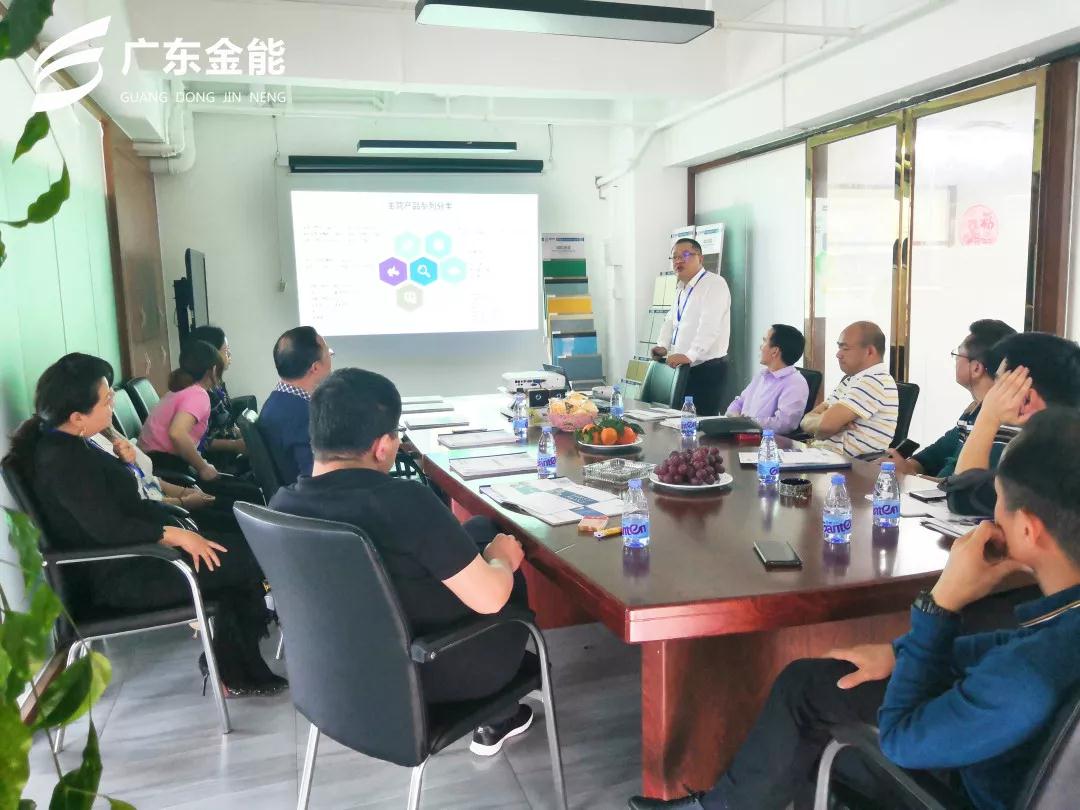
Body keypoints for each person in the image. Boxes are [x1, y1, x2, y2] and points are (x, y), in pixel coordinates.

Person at [629, 406, 1080, 810]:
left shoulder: (1026, 678)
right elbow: (1002, 645)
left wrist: (941, 603)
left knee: (812, 727)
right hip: (995, 743)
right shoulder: (1059, 624)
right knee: (809, 682)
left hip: (963, 782)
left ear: (1028, 530)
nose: (989, 518)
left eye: (998, 503)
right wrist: (900, 653)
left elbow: (902, 739)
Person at [269, 367, 536, 756]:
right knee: (507, 577)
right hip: (425, 673)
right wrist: (500, 560)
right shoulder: (403, 503)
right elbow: (491, 598)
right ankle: (499, 713)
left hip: (333, 678)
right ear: (382, 446)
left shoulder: (282, 507)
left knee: (478, 528)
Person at [3, 353, 283, 696]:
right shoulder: (62, 460)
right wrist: (175, 534)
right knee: (252, 556)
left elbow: (115, 503)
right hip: (122, 577)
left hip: (142, 557)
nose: (112, 405)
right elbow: (109, 529)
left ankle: (232, 668)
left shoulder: (71, 444)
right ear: (77, 417)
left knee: (243, 551)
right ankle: (235, 671)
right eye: (106, 401)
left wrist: (125, 464)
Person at [945, 332, 1080, 516]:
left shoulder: (1047, 462)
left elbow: (963, 498)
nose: (992, 392)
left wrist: (988, 415)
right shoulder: (1063, 441)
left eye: (999, 383)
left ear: (1026, 398)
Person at [882, 319, 1015, 478]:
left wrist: (911, 474)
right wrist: (905, 465)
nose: (955, 361)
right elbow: (934, 454)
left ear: (976, 368)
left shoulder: (1005, 422)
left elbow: (968, 485)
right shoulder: (973, 411)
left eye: (958, 354)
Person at [137, 340, 259, 507]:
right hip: (168, 468)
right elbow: (177, 433)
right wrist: (203, 468)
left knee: (243, 492)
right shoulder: (198, 394)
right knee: (250, 496)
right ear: (214, 370)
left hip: (155, 463)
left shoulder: (181, 390)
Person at [652, 238, 731, 416]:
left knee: (699, 424)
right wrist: (663, 345)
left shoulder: (714, 284)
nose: (678, 261)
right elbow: (671, 320)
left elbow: (710, 326)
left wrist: (690, 355)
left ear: (700, 258)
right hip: (683, 367)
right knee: (677, 422)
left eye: (685, 255)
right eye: (675, 257)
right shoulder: (681, 287)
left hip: (706, 369)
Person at [800, 321, 898, 458]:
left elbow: (825, 426)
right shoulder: (851, 380)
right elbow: (806, 421)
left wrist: (822, 424)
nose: (838, 354)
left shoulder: (875, 380)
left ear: (869, 351)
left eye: (845, 348)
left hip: (846, 465)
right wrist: (821, 424)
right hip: (822, 456)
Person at [258, 326, 333, 486]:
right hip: (310, 498)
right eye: (329, 353)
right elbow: (315, 480)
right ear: (315, 367)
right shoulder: (302, 415)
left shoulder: (278, 402)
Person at [725, 324, 809, 434]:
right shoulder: (761, 375)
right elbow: (738, 403)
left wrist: (747, 424)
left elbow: (784, 424)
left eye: (764, 341)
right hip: (740, 434)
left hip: (765, 441)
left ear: (775, 351)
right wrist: (736, 419)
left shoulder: (795, 383)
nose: (761, 346)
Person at [188, 325, 246, 469]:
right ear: (210, 355)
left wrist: (248, 435)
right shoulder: (198, 394)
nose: (229, 355)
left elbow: (227, 424)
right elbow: (199, 441)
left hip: (230, 456)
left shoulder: (217, 385)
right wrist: (234, 445)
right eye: (225, 351)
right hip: (213, 466)